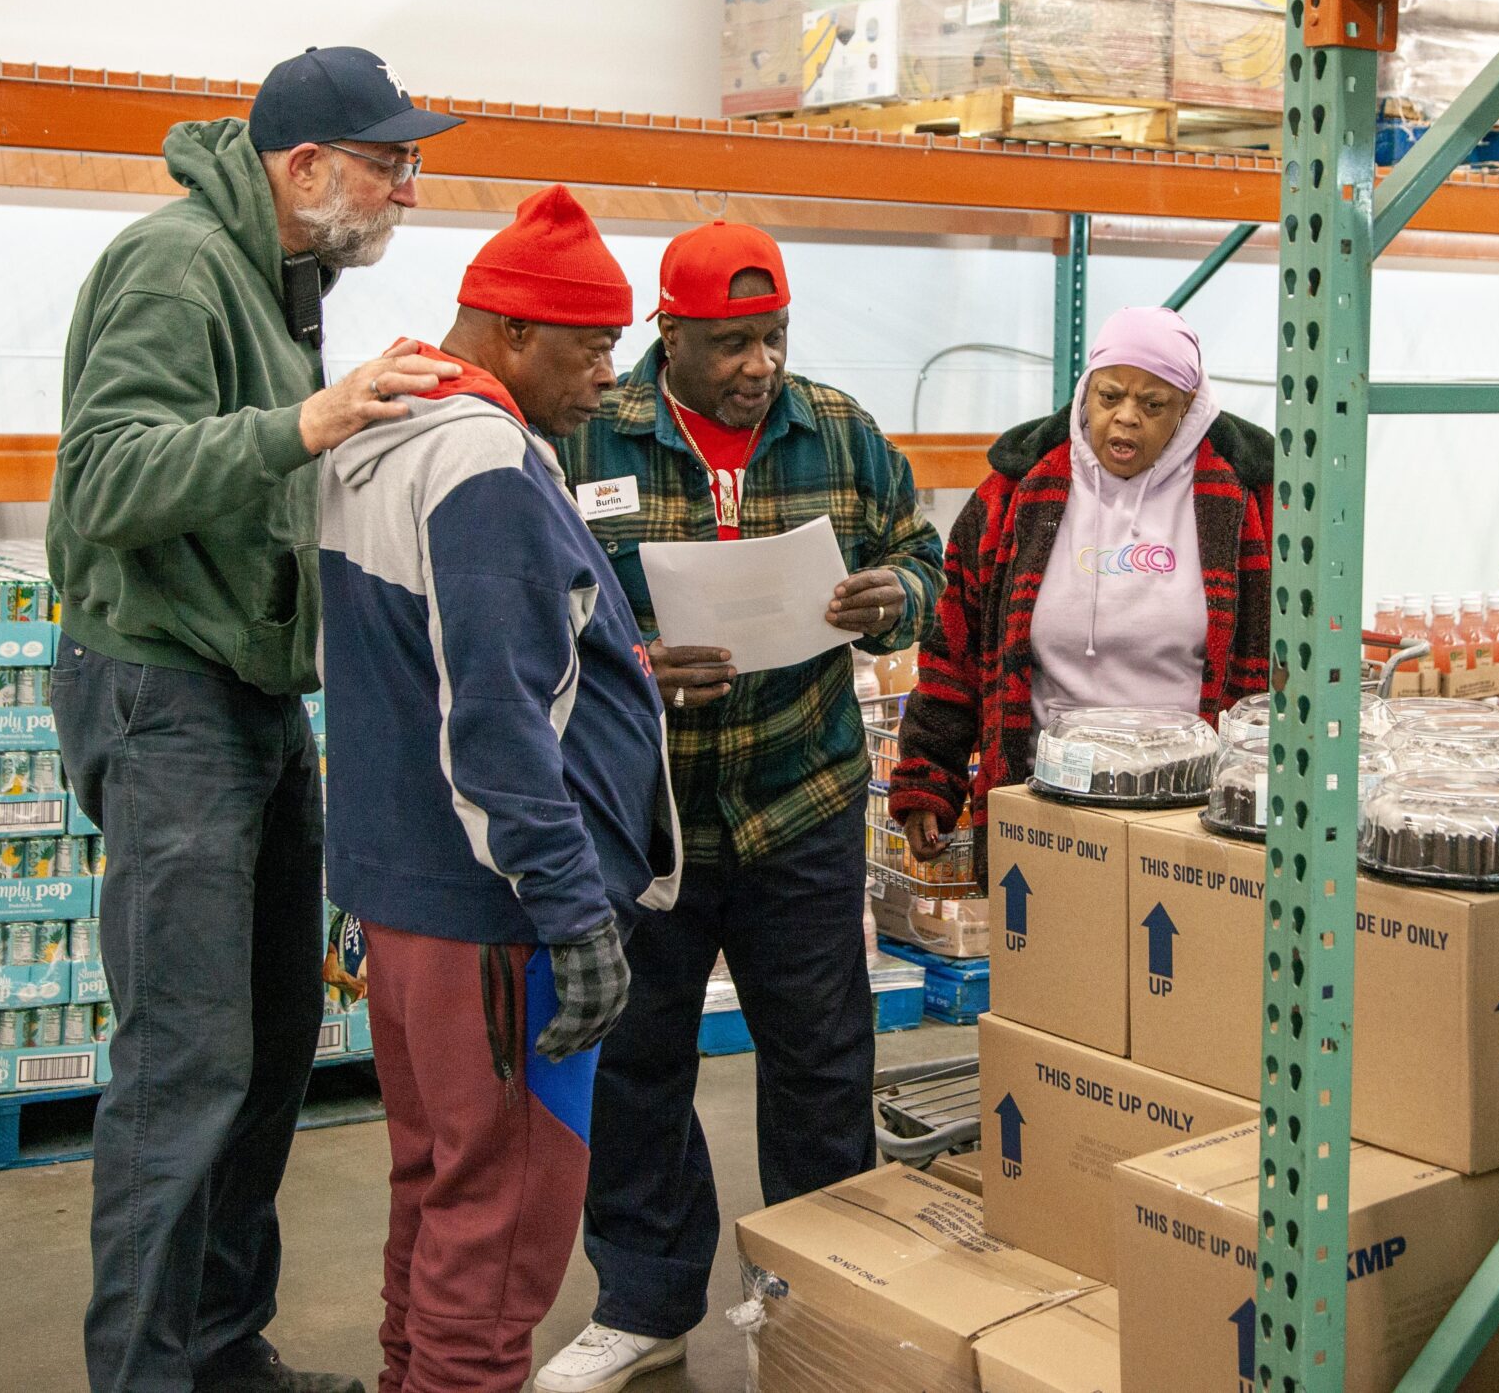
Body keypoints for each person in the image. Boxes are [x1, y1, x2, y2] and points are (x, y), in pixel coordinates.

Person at [49, 45, 465, 1393]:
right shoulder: (177, 264)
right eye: (387, 161)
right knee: (188, 1063)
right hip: (168, 694)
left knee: (275, 1040)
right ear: (305, 167)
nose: (407, 187)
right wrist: (309, 420)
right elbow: (105, 477)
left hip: (251, 696)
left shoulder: (282, 277)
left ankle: (222, 1350)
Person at [533, 222, 945, 1393]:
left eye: (771, 336)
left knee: (819, 1063)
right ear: (671, 335)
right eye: (729, 343)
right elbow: (536, 599)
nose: (758, 364)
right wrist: (632, 656)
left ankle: (813, 1299)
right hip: (643, 818)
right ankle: (645, 1302)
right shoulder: (589, 431)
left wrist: (892, 598)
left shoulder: (842, 432)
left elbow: (922, 554)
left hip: (798, 801)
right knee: (636, 1064)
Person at [318, 184, 683, 1393]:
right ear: (514, 334)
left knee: (437, 1182)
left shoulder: (384, 428)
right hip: (499, 917)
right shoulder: (479, 459)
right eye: (588, 353)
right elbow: (495, 717)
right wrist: (571, 909)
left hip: (405, 887)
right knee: (509, 1213)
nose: (607, 385)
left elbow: (418, 667)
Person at [889, 305, 1273, 855]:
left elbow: (1291, 670)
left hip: (1193, 814)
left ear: (1190, 410)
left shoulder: (1245, 503)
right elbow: (954, 652)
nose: (1126, 417)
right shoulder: (1013, 496)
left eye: (1153, 404)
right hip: (1044, 806)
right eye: (1110, 396)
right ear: (1085, 392)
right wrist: (929, 780)